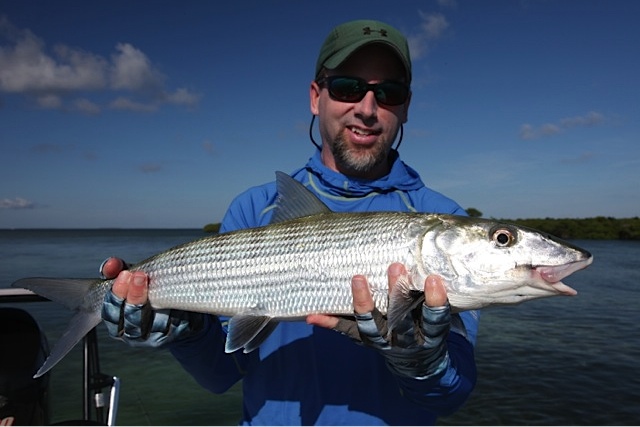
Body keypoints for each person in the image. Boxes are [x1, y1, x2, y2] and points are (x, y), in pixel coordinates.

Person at [100, 19, 479, 425]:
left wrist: (422, 361)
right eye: (347, 88)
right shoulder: (254, 209)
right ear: (316, 97)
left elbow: (448, 398)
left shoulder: (445, 222)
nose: (367, 109)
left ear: (405, 107)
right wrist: (189, 333)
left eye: (388, 93)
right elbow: (221, 375)